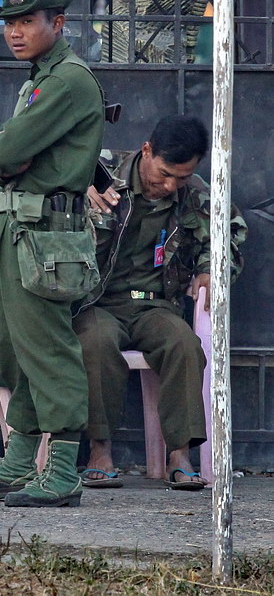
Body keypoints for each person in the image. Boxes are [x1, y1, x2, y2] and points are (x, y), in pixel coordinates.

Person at [0, 0, 105, 507]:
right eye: (10, 24)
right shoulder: (41, 78)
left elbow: (4, 151)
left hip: (44, 235)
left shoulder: (66, 81)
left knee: (49, 348)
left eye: (27, 23)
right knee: (15, 349)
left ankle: (62, 472)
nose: (15, 33)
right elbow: (12, 154)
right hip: (16, 229)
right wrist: (8, 152)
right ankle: (18, 461)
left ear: (57, 24)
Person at [74, 115, 247, 490]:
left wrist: (210, 268)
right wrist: (79, 191)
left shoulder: (194, 192)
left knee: (185, 344)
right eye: (165, 173)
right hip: (98, 302)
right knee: (96, 344)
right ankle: (99, 450)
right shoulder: (97, 169)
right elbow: (28, 173)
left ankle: (179, 455)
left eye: (181, 177)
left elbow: (229, 232)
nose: (169, 185)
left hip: (156, 305)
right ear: (146, 150)